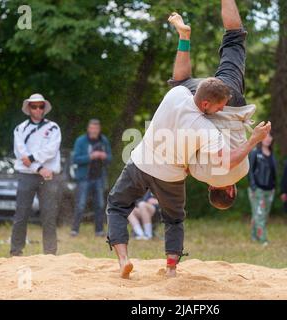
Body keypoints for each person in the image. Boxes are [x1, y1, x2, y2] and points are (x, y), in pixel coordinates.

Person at [106, 0, 271, 279]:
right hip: (169, 173)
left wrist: (253, 140)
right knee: (173, 219)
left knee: (234, 39)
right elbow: (212, 159)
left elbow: (181, 81)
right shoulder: (202, 142)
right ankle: (171, 268)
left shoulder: (178, 96)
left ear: (229, 191)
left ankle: (123, 259)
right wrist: (253, 139)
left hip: (146, 158)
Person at [167, 7, 253, 209]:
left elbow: (234, 157)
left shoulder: (243, 171)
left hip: (231, 103)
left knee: (234, 39)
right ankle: (184, 37)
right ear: (211, 189)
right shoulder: (198, 174)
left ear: (231, 190)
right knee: (180, 84)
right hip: (203, 105)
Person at [10, 93, 62, 256]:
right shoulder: (20, 128)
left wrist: (33, 159)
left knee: (49, 215)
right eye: (34, 106)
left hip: (48, 177)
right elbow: (21, 154)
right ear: (29, 108)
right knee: (21, 214)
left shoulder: (53, 127)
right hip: (27, 175)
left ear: (44, 108)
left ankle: (50, 253)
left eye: (41, 106)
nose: (38, 109)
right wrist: (39, 169)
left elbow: (51, 150)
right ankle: (16, 251)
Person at [71, 119, 112, 237]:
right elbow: (76, 159)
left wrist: (104, 156)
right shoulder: (81, 141)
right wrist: (91, 157)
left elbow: (110, 158)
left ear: (99, 129)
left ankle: (99, 231)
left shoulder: (104, 141)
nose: (94, 131)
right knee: (81, 204)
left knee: (99, 204)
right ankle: (75, 229)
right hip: (84, 177)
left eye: (96, 128)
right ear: (88, 129)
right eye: (92, 128)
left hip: (99, 177)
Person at [247, 133, 276, 245]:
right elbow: (250, 170)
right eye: (265, 136)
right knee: (260, 214)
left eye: (270, 136)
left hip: (270, 189)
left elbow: (273, 172)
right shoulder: (255, 152)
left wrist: (274, 186)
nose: (268, 138)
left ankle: (254, 237)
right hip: (257, 189)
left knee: (261, 214)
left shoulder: (271, 154)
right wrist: (253, 186)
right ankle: (263, 240)